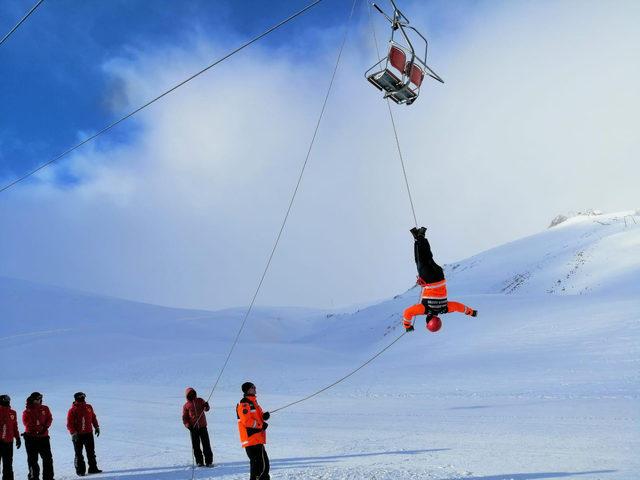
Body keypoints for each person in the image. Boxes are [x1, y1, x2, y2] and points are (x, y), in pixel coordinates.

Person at [404, 227, 477, 332]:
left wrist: (471, 312)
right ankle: (420, 237)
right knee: (420, 260)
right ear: (429, 320)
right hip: (429, 279)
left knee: (428, 257)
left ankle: (418, 237)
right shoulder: (426, 309)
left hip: (440, 276)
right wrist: (407, 326)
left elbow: (458, 307)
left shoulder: (445, 309)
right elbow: (407, 312)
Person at [236, 382, 270, 480]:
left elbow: (257, 416)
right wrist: (261, 425)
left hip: (256, 438)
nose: (255, 388)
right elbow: (247, 421)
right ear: (248, 390)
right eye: (253, 387)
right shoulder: (244, 403)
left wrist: (264, 416)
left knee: (259, 467)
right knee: (263, 467)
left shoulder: (253, 402)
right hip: (252, 439)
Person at [66, 392, 101, 476]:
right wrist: (73, 433)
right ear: (76, 398)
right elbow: (69, 423)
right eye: (81, 397)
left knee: (91, 452)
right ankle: (80, 471)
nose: (83, 398)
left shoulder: (89, 407)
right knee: (78, 454)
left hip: (88, 433)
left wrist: (96, 427)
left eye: (84, 396)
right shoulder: (72, 410)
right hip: (77, 435)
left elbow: (93, 417)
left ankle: (93, 468)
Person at [22, 392, 54, 480]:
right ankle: (33, 478)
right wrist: (36, 431)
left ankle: (48, 478)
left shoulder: (45, 408)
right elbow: (26, 423)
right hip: (31, 438)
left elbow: (49, 418)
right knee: (33, 460)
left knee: (48, 458)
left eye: (40, 398)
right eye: (37, 399)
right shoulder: (27, 411)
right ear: (33, 400)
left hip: (44, 438)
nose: (39, 400)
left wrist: (45, 427)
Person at [182, 388, 213, 467]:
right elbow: (185, 418)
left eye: (193, 393)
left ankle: (209, 461)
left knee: (206, 444)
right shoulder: (186, 406)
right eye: (190, 394)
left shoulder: (200, 400)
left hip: (203, 427)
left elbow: (206, 409)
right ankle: (199, 462)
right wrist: (188, 426)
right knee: (196, 446)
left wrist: (207, 406)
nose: (192, 395)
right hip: (193, 428)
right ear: (187, 396)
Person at [0, 394, 21, 480]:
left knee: (8, 466)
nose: (8, 401)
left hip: (9, 443)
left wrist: (18, 438)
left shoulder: (13, 412)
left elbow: (14, 427)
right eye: (6, 400)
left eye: (8, 400)